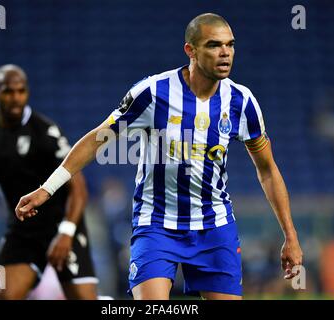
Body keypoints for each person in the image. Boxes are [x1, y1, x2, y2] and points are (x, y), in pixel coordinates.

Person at [15, 13, 303, 300]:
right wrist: (46, 189)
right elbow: (96, 140)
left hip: (214, 229)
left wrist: (290, 235)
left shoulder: (242, 102)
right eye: (214, 45)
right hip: (157, 226)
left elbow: (267, 170)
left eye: (230, 45)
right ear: (190, 50)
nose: (225, 53)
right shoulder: (153, 92)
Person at [0, 64, 98, 300]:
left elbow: (78, 188)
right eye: (8, 91)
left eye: (21, 91)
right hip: (23, 232)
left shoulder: (46, 131)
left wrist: (66, 233)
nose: (16, 98)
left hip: (63, 226)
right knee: (3, 293)